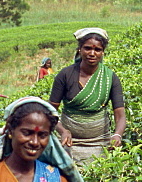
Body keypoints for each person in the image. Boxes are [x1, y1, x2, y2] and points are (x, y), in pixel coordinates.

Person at [50, 27, 126, 164]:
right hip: (69, 141)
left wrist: (117, 135)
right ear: (80, 49)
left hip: (100, 141)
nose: (92, 53)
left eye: (97, 50)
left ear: (102, 52)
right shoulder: (65, 75)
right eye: (87, 48)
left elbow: (120, 114)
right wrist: (62, 131)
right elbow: (50, 111)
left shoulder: (110, 78)